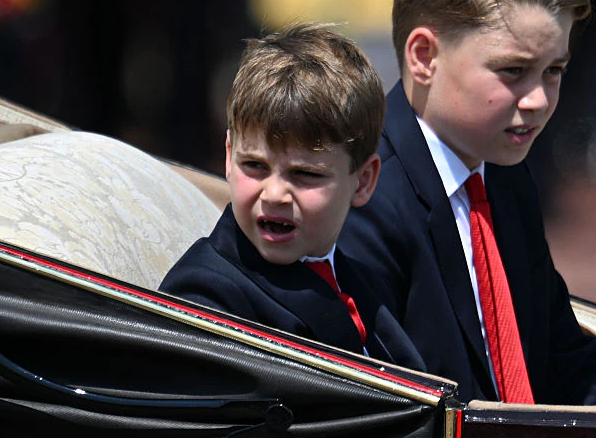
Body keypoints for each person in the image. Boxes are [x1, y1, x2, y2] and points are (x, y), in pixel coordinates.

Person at [340, 0, 596, 405]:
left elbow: (562, 361)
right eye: (512, 71)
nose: (537, 99)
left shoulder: (504, 176)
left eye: (554, 70)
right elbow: (390, 409)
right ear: (425, 57)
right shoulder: (364, 199)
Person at [160, 23, 424, 370]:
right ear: (228, 156)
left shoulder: (364, 280)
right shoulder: (206, 296)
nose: (274, 194)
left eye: (305, 174)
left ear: (362, 182)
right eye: (254, 165)